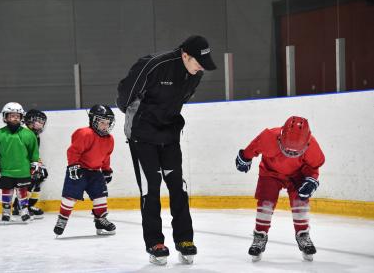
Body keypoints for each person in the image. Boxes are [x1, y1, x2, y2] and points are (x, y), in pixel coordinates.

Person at [116, 35, 217, 265]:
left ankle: (184, 239)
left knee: (177, 187)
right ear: (185, 55)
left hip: (169, 135)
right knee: (150, 188)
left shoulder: (194, 74)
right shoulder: (154, 65)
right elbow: (125, 94)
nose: (201, 68)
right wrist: (141, 118)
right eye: (198, 62)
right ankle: (154, 241)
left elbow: (180, 100)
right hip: (142, 136)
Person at [235, 116, 325, 262]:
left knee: (300, 202)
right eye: (287, 150)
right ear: (280, 138)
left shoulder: (313, 146)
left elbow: (313, 167)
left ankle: (302, 233)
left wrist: (311, 179)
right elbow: (253, 147)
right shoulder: (269, 137)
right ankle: (260, 235)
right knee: (266, 203)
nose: (290, 155)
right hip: (270, 173)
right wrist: (245, 157)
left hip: (297, 175)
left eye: (295, 153)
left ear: (307, 144)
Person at [53, 104, 116, 236]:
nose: (105, 125)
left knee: (100, 196)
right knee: (70, 197)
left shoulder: (109, 139)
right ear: (93, 121)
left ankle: (100, 219)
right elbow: (73, 151)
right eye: (102, 122)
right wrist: (73, 166)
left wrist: (106, 170)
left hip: (95, 172)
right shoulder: (85, 133)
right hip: (79, 170)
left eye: (107, 123)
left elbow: (106, 156)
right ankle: (62, 219)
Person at [0, 102, 41, 222]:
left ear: (21, 117)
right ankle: (6, 212)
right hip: (5, 171)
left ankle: (24, 211)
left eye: (17, 115)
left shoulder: (28, 135)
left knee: (23, 191)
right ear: (5, 117)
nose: (15, 118)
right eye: (11, 115)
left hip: (23, 170)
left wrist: (35, 163)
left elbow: (34, 151)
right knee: (7, 191)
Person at [12, 109, 48, 218]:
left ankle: (29, 205)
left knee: (41, 175)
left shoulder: (35, 135)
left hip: (27, 162)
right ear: (30, 121)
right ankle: (19, 206)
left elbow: (34, 153)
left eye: (42, 122)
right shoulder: (23, 133)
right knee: (31, 179)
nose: (41, 125)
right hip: (18, 163)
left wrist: (38, 163)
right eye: (39, 122)